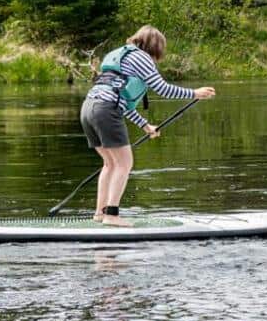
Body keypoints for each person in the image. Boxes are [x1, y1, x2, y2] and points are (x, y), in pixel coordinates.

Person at [80, 25, 215, 226]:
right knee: (124, 164)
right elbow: (163, 89)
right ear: (155, 47)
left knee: (110, 164)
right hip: (106, 110)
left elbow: (121, 100)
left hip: (89, 108)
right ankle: (111, 215)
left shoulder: (118, 55)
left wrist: (144, 125)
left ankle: (100, 213)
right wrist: (194, 93)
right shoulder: (142, 58)